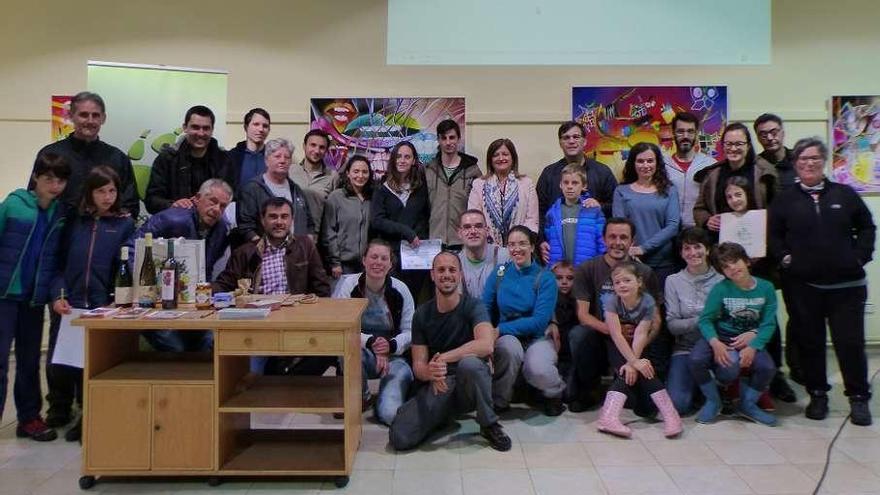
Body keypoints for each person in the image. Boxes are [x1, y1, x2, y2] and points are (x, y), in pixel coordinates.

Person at [769, 137, 875, 426]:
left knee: (850, 344)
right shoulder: (785, 199)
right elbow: (775, 236)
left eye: (814, 158)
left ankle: (858, 398)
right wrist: (786, 259)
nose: (808, 164)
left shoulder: (845, 194)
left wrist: (859, 257)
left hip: (847, 288)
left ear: (824, 160)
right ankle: (818, 395)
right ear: (795, 164)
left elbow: (866, 226)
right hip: (803, 287)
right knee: (810, 343)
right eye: (802, 159)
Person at [389, 252, 511, 452]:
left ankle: (489, 424)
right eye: (441, 270)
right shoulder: (422, 314)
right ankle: (441, 416)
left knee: (470, 364)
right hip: (439, 385)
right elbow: (419, 365)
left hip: (467, 384)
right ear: (432, 275)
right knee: (399, 438)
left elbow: (486, 344)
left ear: (460, 275)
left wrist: (443, 358)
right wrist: (431, 372)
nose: (446, 274)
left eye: (452, 270)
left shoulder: (474, 306)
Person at [46, 166, 135, 442]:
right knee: (64, 364)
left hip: (101, 305)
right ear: (90, 192)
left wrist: (117, 298)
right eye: (101, 191)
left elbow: (126, 265)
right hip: (70, 304)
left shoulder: (123, 224)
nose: (107, 197)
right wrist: (58, 294)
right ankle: (62, 410)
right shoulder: (75, 222)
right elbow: (58, 263)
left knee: (93, 366)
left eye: (112, 191)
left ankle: (89, 416)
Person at [215, 196, 332, 375]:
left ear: (291, 220)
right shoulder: (245, 252)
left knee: (328, 353)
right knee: (250, 379)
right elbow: (224, 285)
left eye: (284, 217)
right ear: (263, 220)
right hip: (257, 328)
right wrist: (198, 290)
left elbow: (322, 289)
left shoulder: (305, 246)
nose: (279, 222)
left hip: (295, 324)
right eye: (273, 217)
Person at [0, 152, 70, 441]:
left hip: (34, 299)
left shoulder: (61, 215)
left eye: (60, 180)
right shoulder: (14, 204)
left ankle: (29, 418)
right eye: (48, 179)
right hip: (4, 295)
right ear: (36, 178)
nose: (54, 186)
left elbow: (56, 262)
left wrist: (54, 295)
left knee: (29, 361)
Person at [568, 218, 663, 412]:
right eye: (612, 237)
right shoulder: (588, 268)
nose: (617, 242)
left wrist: (639, 344)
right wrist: (613, 330)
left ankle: (629, 386)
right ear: (603, 239)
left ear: (632, 241)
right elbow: (583, 315)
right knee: (579, 334)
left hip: (635, 338)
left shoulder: (645, 272)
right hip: (601, 334)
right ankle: (589, 389)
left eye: (623, 237)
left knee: (645, 408)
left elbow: (656, 320)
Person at [128, 179, 233, 352]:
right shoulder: (172, 218)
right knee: (175, 345)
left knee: (210, 341)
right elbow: (133, 247)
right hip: (153, 302)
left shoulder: (221, 229)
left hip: (190, 303)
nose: (216, 210)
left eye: (222, 206)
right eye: (212, 202)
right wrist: (146, 286)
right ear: (197, 198)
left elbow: (206, 269)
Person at [723, 176, 796, 406]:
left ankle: (774, 378)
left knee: (768, 325)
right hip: (733, 283)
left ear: (748, 195)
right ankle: (736, 382)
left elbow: (775, 245)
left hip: (761, 277)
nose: (734, 200)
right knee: (736, 323)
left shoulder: (763, 219)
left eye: (738, 194)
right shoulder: (725, 221)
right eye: (729, 196)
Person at [690, 242, 779, 427]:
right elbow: (705, 320)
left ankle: (747, 405)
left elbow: (769, 323)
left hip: (751, 338)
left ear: (746, 261)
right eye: (725, 266)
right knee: (697, 359)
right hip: (721, 336)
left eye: (735, 262)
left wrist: (754, 345)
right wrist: (715, 343)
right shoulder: (720, 289)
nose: (732, 268)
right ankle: (713, 400)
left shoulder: (767, 288)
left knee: (767, 368)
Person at [332, 240, 414, 425]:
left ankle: (391, 395)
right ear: (364, 260)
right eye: (373, 257)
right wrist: (371, 342)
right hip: (362, 352)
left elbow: (410, 331)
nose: (378, 262)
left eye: (384, 258)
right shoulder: (348, 285)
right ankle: (362, 395)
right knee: (346, 348)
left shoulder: (402, 290)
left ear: (390, 264)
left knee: (389, 415)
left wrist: (390, 346)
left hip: (395, 358)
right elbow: (343, 327)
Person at [596, 262, 682, 438]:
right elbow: (616, 335)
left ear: (639, 281)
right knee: (625, 369)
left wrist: (634, 362)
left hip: (637, 343)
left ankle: (671, 416)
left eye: (627, 280)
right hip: (616, 343)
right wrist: (633, 362)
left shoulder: (648, 302)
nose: (622, 285)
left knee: (645, 369)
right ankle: (608, 416)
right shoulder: (610, 301)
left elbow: (642, 333)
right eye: (617, 282)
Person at [484, 226, 560, 415]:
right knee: (508, 349)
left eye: (522, 243)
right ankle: (500, 399)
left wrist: (499, 329)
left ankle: (554, 392)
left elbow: (539, 322)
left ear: (532, 247)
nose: (516, 249)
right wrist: (485, 332)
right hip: (508, 337)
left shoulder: (546, 277)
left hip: (537, 336)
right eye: (511, 244)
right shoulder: (500, 272)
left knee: (538, 369)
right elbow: (484, 306)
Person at [32, 91, 140, 217]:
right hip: (58, 233)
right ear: (71, 116)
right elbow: (34, 198)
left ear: (103, 118)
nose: (90, 121)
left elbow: (130, 205)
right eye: (83, 115)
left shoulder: (118, 158)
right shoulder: (51, 154)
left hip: (104, 234)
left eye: (95, 115)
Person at [664, 227, 724, 414]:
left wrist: (692, 322)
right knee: (678, 405)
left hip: (715, 347)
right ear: (681, 253)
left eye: (697, 247)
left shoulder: (722, 280)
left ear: (707, 249)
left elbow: (724, 320)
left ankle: (722, 388)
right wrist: (704, 319)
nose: (692, 253)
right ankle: (700, 387)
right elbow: (673, 325)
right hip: (685, 348)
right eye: (686, 248)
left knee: (730, 368)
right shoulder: (673, 281)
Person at [145, 105, 235, 214]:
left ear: (212, 130)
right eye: (195, 127)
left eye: (206, 128)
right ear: (185, 128)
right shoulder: (167, 159)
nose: (201, 133)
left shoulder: (224, 160)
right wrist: (173, 205)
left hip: (213, 222)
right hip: (175, 221)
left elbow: (231, 199)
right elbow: (151, 200)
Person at [613, 142, 681, 284]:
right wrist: (631, 251)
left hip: (663, 262)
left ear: (657, 163)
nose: (645, 165)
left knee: (660, 305)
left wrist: (643, 248)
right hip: (631, 262)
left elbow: (673, 226)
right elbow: (619, 227)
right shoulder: (621, 191)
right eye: (640, 161)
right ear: (633, 163)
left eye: (650, 161)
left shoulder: (670, 190)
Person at [371, 141, 430, 298]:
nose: (402, 160)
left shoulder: (420, 187)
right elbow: (377, 220)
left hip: (416, 255)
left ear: (413, 161)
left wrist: (419, 237)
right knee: (392, 300)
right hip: (392, 255)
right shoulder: (381, 188)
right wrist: (406, 232)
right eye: (398, 156)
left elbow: (425, 217)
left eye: (407, 157)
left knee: (413, 299)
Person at [693, 123, 777, 232]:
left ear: (748, 146)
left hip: (756, 239)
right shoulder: (712, 175)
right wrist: (707, 220)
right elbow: (699, 208)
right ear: (723, 146)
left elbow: (776, 208)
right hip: (719, 242)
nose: (733, 148)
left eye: (739, 144)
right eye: (728, 144)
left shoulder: (764, 173)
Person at [236, 137, 314, 244]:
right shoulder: (252, 189)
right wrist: (261, 247)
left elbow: (309, 222)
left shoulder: (296, 189)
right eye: (277, 156)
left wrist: (308, 243)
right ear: (266, 160)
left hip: (296, 255)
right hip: (265, 256)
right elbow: (245, 226)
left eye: (287, 157)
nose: (282, 161)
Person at [536, 121, 618, 222]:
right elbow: (539, 211)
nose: (571, 141)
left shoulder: (602, 172)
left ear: (584, 141)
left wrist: (600, 206)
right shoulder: (549, 173)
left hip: (593, 235)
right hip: (556, 235)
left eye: (576, 137)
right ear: (560, 143)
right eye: (566, 137)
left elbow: (617, 206)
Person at [467, 138, 539, 246]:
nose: (501, 158)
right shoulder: (478, 184)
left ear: (513, 157)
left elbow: (532, 220)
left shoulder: (526, 184)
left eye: (505, 154)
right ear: (490, 160)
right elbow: (474, 217)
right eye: (496, 155)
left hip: (519, 248)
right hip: (488, 248)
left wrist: (519, 241)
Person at [424, 119, 481, 249]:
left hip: (463, 241)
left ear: (459, 139)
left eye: (452, 137)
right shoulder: (428, 170)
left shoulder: (473, 171)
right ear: (438, 140)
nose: (448, 142)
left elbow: (480, 207)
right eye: (444, 138)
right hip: (434, 240)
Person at [322, 155, 375, 278]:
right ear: (348, 173)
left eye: (364, 172)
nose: (360, 176)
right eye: (356, 171)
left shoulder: (373, 198)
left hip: (366, 264)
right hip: (343, 265)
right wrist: (335, 262)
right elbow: (329, 233)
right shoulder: (336, 197)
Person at [544, 164, 605, 266]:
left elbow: (602, 242)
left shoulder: (593, 211)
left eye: (575, 183)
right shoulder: (552, 213)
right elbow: (548, 239)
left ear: (584, 186)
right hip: (560, 270)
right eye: (566, 182)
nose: (570, 186)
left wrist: (601, 265)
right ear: (560, 185)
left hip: (587, 268)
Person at [663, 111, 714, 228]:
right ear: (673, 133)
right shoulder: (661, 165)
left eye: (690, 131)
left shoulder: (710, 165)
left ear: (696, 134)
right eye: (680, 131)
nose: (685, 136)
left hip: (700, 232)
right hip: (667, 231)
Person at [290, 129, 336, 236]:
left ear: (326, 151)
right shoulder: (290, 171)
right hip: (289, 236)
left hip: (316, 238)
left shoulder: (333, 177)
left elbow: (333, 212)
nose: (316, 150)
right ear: (304, 146)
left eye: (322, 147)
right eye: (313, 145)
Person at [456, 209, 508, 299]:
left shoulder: (505, 257)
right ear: (460, 233)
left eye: (478, 226)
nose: (473, 231)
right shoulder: (454, 263)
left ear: (487, 231)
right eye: (467, 227)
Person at [228, 108, 271, 196]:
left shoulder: (272, 157)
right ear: (246, 127)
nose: (261, 129)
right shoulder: (231, 157)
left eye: (265, 126)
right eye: (256, 124)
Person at [754, 113, 796, 189]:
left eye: (774, 133)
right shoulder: (755, 165)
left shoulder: (799, 159)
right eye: (763, 135)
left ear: (783, 133)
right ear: (758, 138)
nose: (769, 138)